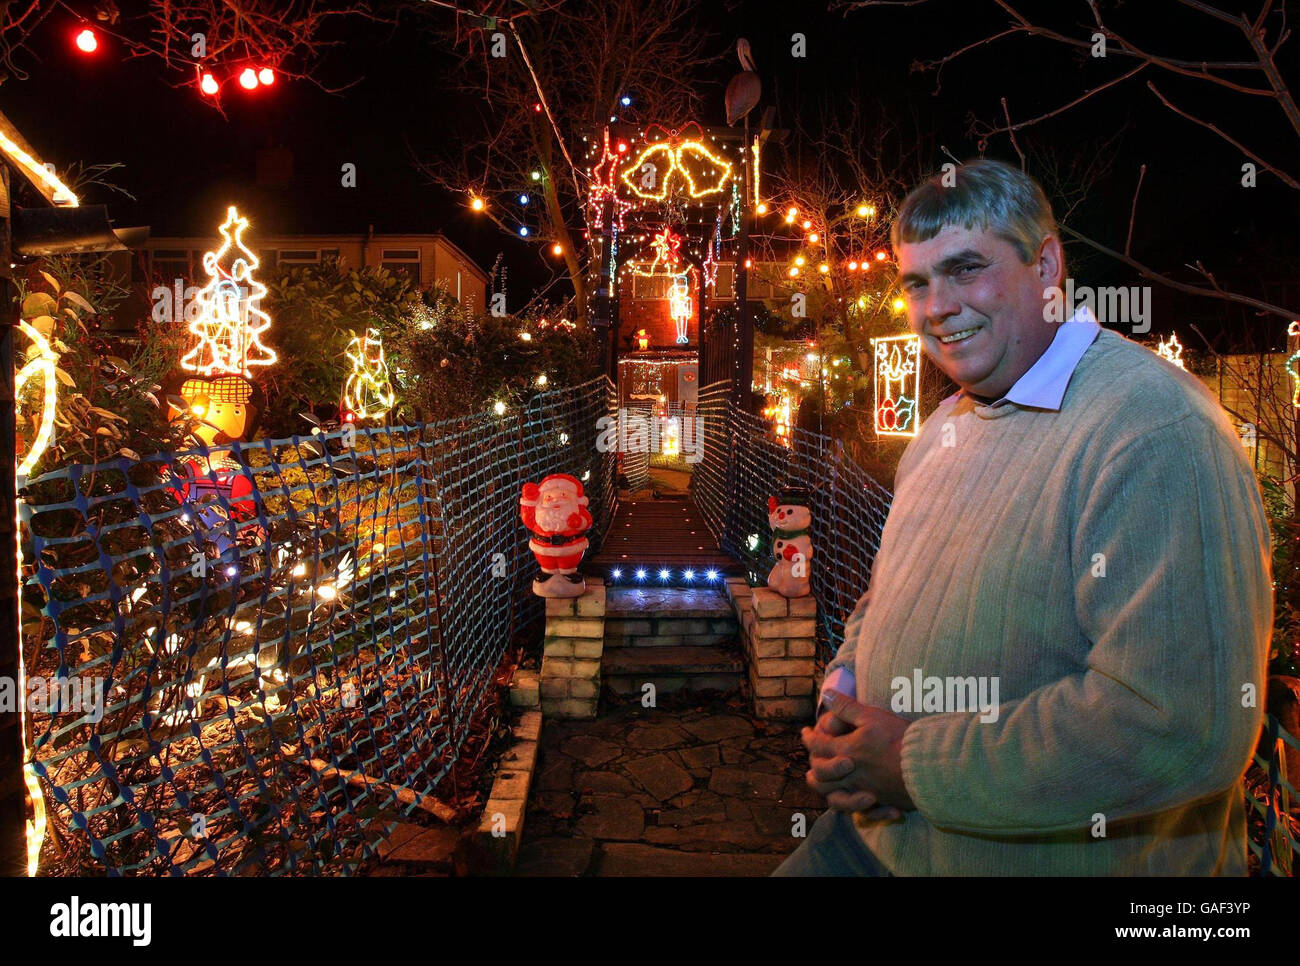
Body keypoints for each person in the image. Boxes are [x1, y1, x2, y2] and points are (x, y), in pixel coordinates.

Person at [774, 158, 1273, 876]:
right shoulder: (944, 427)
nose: (936, 306)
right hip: (873, 836)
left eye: (966, 268)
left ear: (1045, 267)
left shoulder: (1155, 431)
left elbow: (1182, 726)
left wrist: (913, 767)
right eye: (916, 282)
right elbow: (888, 594)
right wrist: (845, 689)